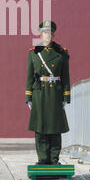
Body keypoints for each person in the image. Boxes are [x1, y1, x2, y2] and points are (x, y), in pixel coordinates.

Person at [25, 20, 70, 165]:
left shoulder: (61, 53)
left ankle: (54, 158)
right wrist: (28, 96)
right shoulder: (34, 53)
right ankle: (43, 158)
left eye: (50, 33)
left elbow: (66, 76)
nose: (47, 35)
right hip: (39, 92)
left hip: (55, 93)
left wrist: (66, 96)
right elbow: (29, 76)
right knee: (40, 127)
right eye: (45, 32)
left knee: (55, 127)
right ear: (40, 34)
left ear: (54, 34)